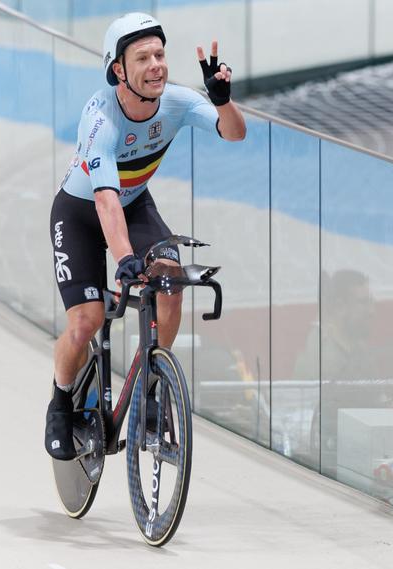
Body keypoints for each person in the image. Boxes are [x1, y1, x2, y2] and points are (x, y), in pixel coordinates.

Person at [46, 12, 247, 460]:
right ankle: (59, 402)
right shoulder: (101, 118)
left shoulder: (177, 101)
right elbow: (105, 202)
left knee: (170, 282)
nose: (157, 65)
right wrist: (124, 261)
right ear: (118, 70)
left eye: (160, 54)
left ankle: (150, 389)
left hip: (134, 205)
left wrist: (222, 102)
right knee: (85, 322)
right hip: (81, 213)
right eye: (143, 58)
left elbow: (234, 134)